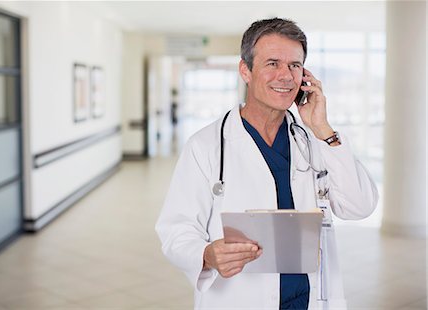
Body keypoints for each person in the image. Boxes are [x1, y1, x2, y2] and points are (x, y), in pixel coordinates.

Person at [156, 17, 378, 309]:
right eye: (272, 63)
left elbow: (360, 206)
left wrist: (323, 129)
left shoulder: (315, 140)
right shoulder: (206, 145)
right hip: (239, 297)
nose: (285, 76)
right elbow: (176, 230)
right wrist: (206, 254)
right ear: (245, 70)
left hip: (307, 298)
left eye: (294, 65)